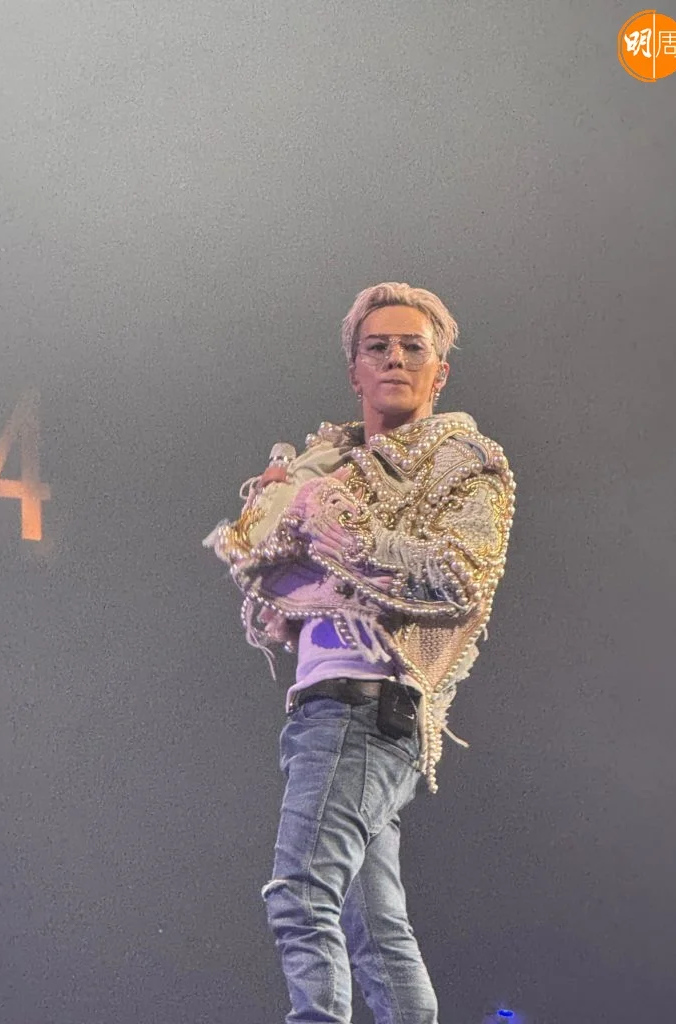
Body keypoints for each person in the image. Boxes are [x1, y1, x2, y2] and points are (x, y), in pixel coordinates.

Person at [203, 282, 516, 1024]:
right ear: (355, 371)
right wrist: (289, 518)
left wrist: (337, 534)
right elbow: (257, 562)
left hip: (368, 707)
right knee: (375, 931)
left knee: (300, 895)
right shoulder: (325, 464)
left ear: (440, 372)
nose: (395, 358)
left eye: (413, 347)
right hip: (325, 708)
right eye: (378, 347)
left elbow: (460, 577)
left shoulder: (465, 461)